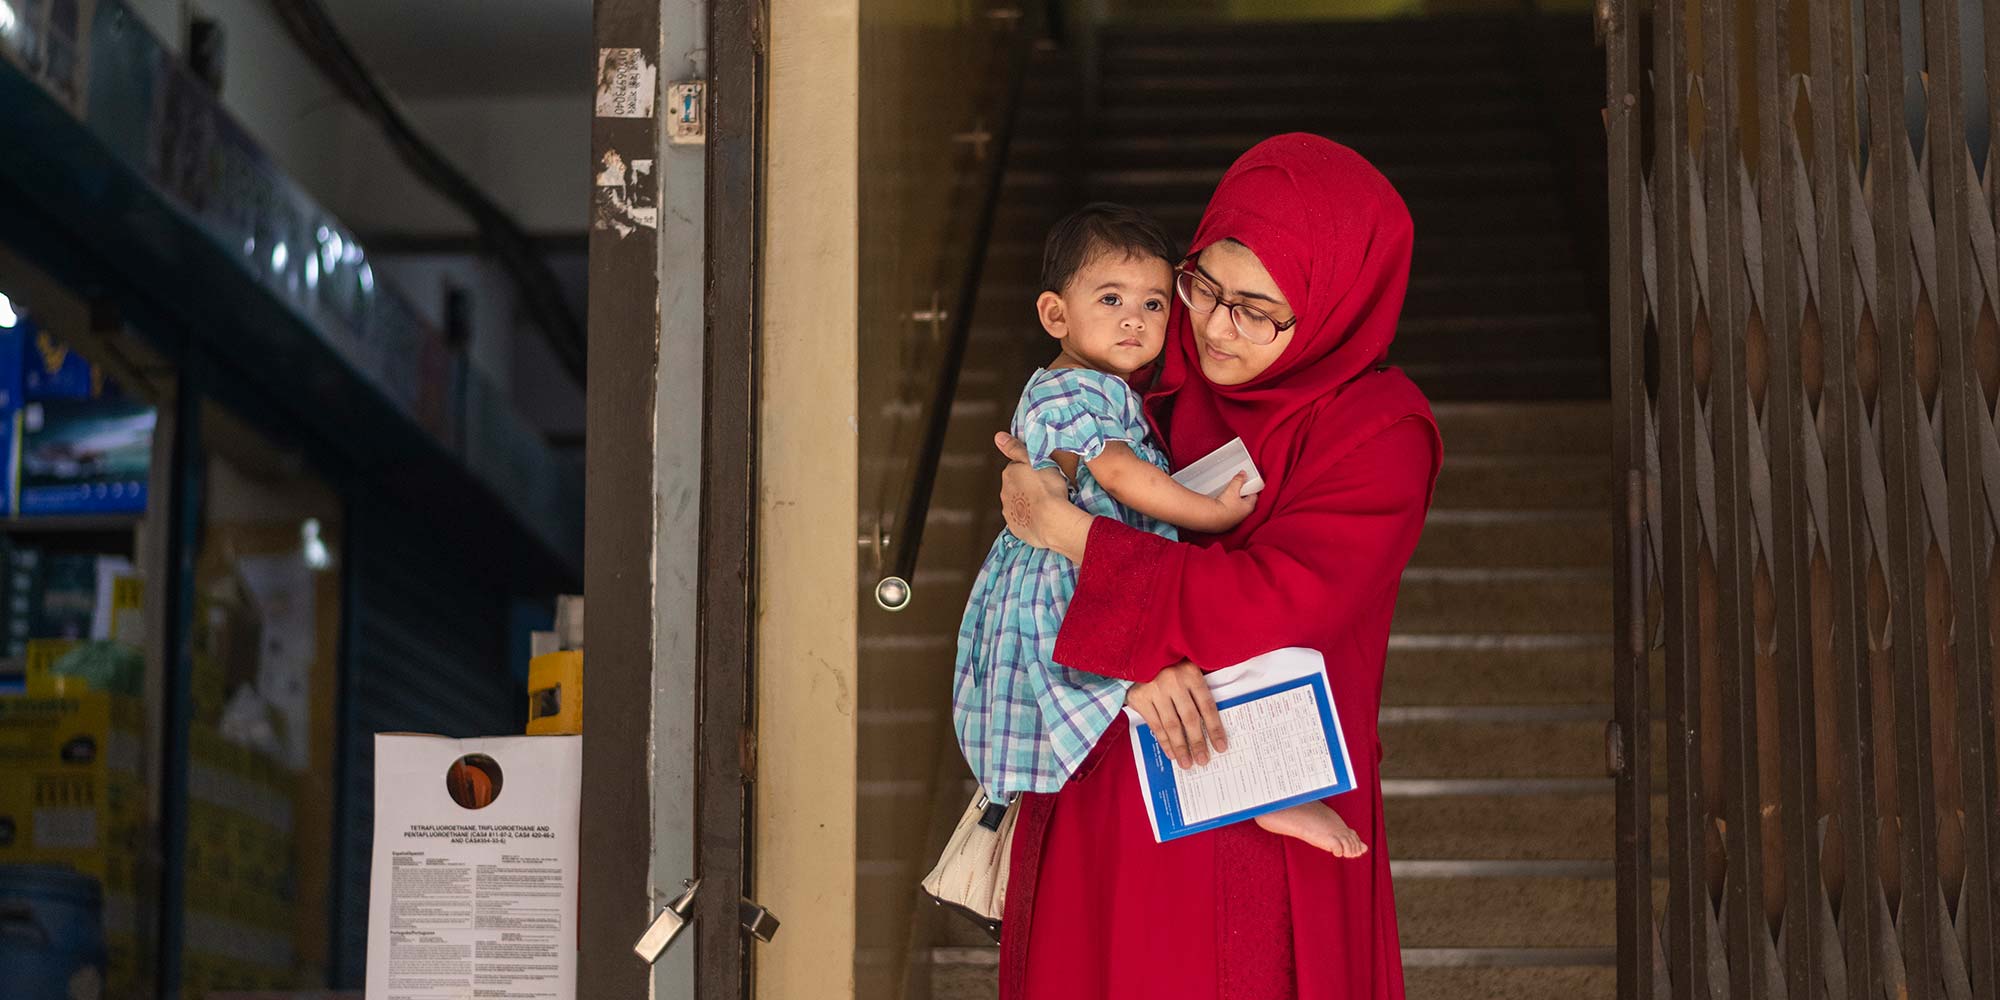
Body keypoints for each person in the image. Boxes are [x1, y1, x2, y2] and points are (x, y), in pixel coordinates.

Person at [991, 134, 1441, 1000]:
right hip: (1108, 775)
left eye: (1261, 309)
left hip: (1259, 799)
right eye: (1204, 287)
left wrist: (1077, 538)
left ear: (1339, 304)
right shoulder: (1150, 382)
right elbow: (1030, 551)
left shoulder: (1378, 433)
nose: (1216, 325)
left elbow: (1281, 603)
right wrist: (1129, 675)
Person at [953, 202, 1367, 860]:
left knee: (1173, 679)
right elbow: (1118, 474)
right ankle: (1269, 796)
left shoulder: (1115, 389)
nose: (1133, 319)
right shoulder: (1073, 392)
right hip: (1068, 576)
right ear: (1055, 315)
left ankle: (1268, 793)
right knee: (1153, 688)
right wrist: (1213, 514)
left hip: (1088, 562)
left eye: (1152, 304)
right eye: (1111, 298)